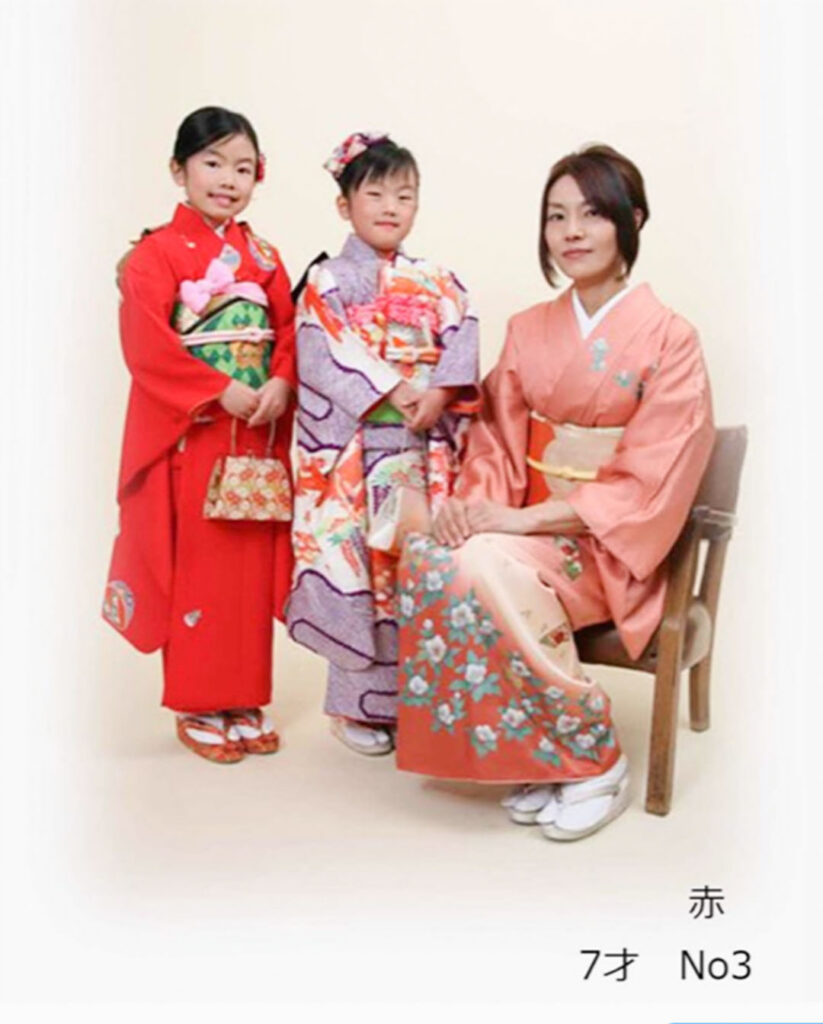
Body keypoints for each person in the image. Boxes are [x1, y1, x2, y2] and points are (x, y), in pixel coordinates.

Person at [394, 144, 715, 839]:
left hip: (607, 546)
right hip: (531, 532)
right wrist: (477, 509)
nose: (571, 232)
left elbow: (653, 479)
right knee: (437, 555)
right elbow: (495, 441)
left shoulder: (672, 339)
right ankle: (540, 753)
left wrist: (518, 522)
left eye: (592, 214)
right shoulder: (529, 330)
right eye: (556, 216)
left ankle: (594, 758)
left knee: (483, 562)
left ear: (631, 220)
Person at [103, 106, 296, 763]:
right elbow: (147, 345)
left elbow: (287, 331)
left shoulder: (264, 256)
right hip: (198, 432)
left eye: (242, 168)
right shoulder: (154, 254)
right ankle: (196, 702)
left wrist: (281, 380)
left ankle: (243, 698)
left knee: (246, 571)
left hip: (255, 433)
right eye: (212, 163)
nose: (228, 179)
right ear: (178, 170)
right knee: (200, 570)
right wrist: (216, 389)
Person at [286, 132, 480, 756]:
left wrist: (441, 395)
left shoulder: (440, 281)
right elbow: (320, 352)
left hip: (421, 448)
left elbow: (463, 338)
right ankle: (355, 707)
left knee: (415, 565)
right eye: (375, 194)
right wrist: (398, 390)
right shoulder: (327, 279)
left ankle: (421, 702)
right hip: (356, 450)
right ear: (345, 205)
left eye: (405, 194)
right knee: (359, 571)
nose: (391, 206)